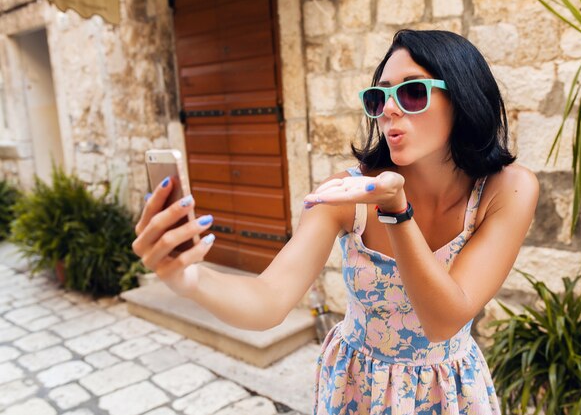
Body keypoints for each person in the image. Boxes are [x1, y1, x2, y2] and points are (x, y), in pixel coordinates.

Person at [132, 29, 539, 414]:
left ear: (464, 96)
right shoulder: (348, 194)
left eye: (413, 92)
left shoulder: (507, 190)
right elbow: (269, 300)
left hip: (449, 390)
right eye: (379, 99)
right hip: (358, 385)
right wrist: (189, 280)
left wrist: (397, 211)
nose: (390, 110)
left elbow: (443, 321)